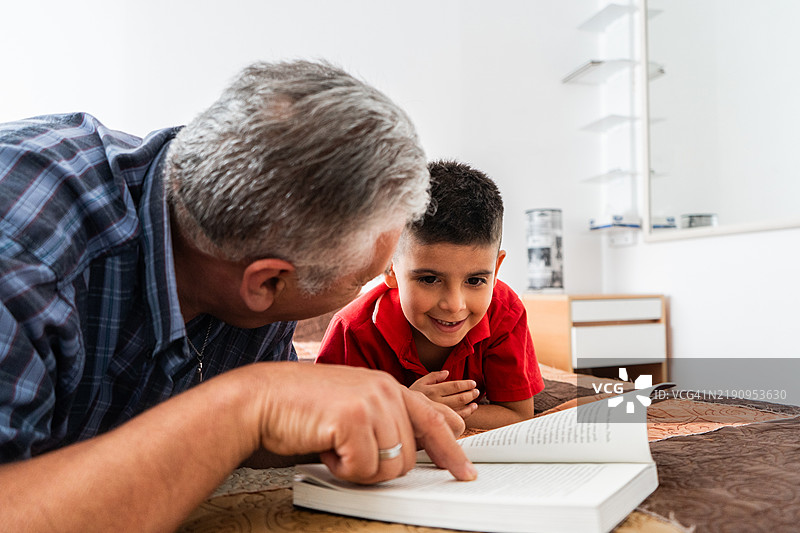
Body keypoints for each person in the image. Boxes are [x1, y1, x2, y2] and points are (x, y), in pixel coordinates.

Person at [0, 60, 476, 532]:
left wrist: (322, 424)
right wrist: (249, 404)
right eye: (361, 280)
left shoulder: (261, 232)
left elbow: (254, 435)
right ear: (265, 284)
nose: (364, 291)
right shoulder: (25, 251)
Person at [316, 160, 544, 430]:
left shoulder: (505, 311)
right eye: (429, 279)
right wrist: (406, 406)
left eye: (475, 280)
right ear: (388, 267)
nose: (454, 305)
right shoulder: (351, 331)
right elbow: (326, 423)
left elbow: (518, 415)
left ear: (495, 270)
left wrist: (431, 412)